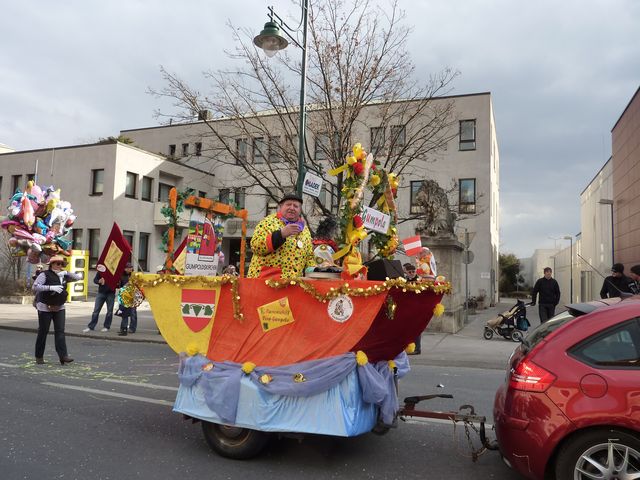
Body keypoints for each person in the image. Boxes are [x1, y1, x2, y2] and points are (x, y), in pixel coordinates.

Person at [247, 192, 315, 278]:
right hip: (266, 280)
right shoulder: (268, 221)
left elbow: (309, 256)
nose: (292, 208)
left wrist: (316, 272)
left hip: (293, 283)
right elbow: (256, 246)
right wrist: (280, 234)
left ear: (300, 210)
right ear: (280, 206)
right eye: (288, 204)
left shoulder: (304, 229)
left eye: (296, 206)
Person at [32, 255, 81, 365]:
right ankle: (39, 356)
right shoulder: (44, 274)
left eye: (61, 264)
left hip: (59, 306)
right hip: (45, 306)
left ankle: (63, 356)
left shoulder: (64, 275)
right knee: (43, 331)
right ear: (51, 264)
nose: (59, 266)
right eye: (57, 263)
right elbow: (35, 286)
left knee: (60, 331)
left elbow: (78, 277)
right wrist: (50, 287)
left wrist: (66, 273)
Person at [83, 268, 117, 332]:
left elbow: (118, 283)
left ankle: (106, 326)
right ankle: (91, 326)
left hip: (110, 293)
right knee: (96, 311)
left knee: (109, 311)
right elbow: (95, 280)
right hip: (101, 292)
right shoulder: (102, 270)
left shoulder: (114, 272)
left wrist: (115, 284)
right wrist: (99, 281)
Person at [403, 262, 422, 354]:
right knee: (407, 329)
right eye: (409, 272)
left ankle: (417, 349)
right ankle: (408, 348)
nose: (412, 273)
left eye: (413, 271)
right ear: (406, 272)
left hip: (417, 307)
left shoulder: (420, 280)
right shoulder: (404, 280)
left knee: (416, 329)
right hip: (407, 307)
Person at [117, 263, 136, 336]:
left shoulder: (134, 276)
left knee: (132, 313)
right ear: (125, 269)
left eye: (131, 267)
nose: (130, 269)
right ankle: (123, 328)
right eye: (128, 268)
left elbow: (137, 285)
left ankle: (132, 328)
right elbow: (120, 286)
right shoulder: (122, 276)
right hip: (124, 296)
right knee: (124, 313)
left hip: (132, 297)